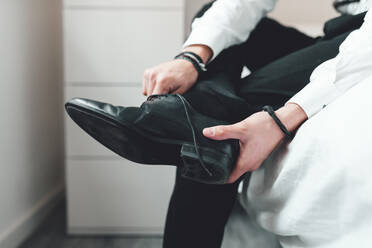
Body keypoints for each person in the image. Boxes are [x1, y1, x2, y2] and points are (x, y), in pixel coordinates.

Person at [65, 0, 372, 247]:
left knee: (215, 120)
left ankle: (181, 125)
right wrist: (191, 58)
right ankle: (196, 129)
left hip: (363, 40)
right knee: (211, 20)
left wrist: (281, 119)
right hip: (336, 34)